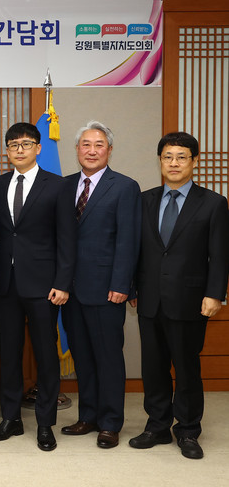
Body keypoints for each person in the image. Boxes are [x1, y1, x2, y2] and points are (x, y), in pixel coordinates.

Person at [128, 132, 229, 460]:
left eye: (181, 157)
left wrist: (215, 294)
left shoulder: (213, 203)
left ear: (194, 161)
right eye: (167, 156)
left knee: (186, 368)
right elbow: (135, 250)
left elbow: (220, 254)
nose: (174, 163)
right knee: (153, 367)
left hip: (190, 299)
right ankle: (157, 426)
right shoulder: (144, 200)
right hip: (149, 298)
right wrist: (132, 287)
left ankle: (187, 429)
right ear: (160, 161)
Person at [0, 122, 76, 452]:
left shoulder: (58, 185)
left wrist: (62, 282)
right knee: (9, 355)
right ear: (7, 151)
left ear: (38, 148)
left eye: (26, 144)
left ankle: (45, 423)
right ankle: (10, 418)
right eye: (13, 145)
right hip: (5, 286)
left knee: (45, 356)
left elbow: (67, 238)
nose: (20, 149)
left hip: (44, 286)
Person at [60, 120, 141, 449]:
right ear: (77, 149)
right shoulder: (64, 186)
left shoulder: (124, 187)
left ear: (109, 150)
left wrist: (122, 284)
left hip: (108, 289)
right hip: (70, 290)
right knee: (82, 357)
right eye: (86, 144)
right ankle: (88, 416)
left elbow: (128, 240)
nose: (91, 151)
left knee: (108, 358)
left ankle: (110, 422)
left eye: (99, 145)